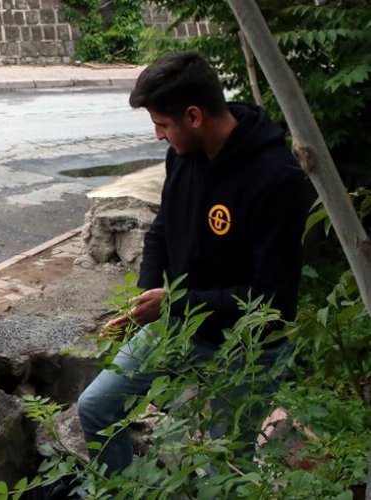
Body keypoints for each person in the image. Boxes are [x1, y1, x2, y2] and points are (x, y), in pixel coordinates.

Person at [77, 51, 309, 473]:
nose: (159, 136)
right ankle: (124, 489)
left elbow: (273, 300)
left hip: (248, 348)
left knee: (226, 462)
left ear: (194, 116)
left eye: (162, 125)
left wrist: (173, 302)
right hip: (179, 324)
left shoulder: (277, 179)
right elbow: (164, 229)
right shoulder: (183, 157)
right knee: (96, 406)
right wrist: (149, 295)